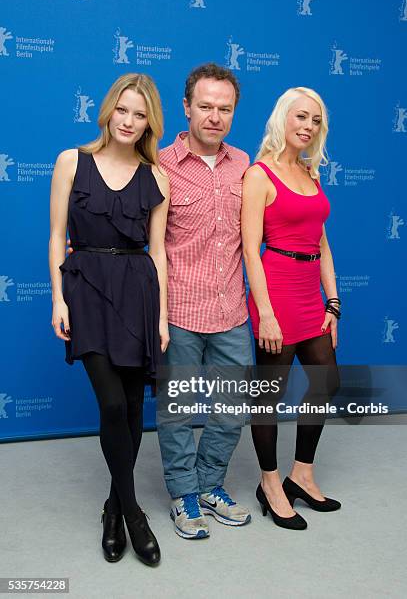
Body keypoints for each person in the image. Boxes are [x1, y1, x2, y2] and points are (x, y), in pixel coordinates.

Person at [49, 73, 169, 565]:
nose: (129, 121)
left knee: (134, 408)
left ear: (150, 124)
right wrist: (58, 298)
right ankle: (133, 511)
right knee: (113, 407)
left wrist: (161, 319)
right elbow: (58, 236)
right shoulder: (70, 162)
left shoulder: (156, 177)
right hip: (87, 290)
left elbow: (158, 253)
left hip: (138, 292)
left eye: (140, 115)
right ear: (108, 110)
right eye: (123, 110)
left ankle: (113, 509)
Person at [157, 63, 252, 539]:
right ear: (187, 107)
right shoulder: (160, 164)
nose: (215, 116)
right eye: (206, 106)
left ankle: (212, 484)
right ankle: (183, 494)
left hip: (232, 309)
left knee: (232, 407)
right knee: (175, 409)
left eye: (225, 108)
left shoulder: (243, 164)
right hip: (178, 312)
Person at [242, 87, 341, 531]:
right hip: (276, 292)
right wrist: (264, 312)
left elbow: (322, 242)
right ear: (283, 117)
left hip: (310, 294)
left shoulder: (310, 173)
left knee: (327, 381)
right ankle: (270, 481)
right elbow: (249, 248)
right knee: (269, 397)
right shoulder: (259, 174)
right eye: (301, 116)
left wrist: (333, 304)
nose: (307, 126)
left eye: (315, 120)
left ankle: (302, 472)